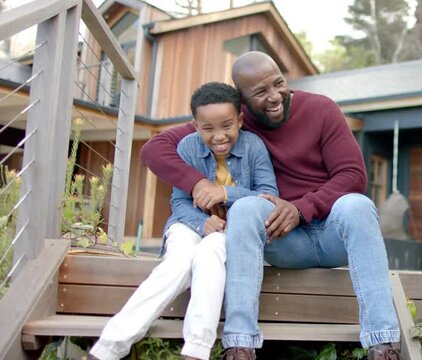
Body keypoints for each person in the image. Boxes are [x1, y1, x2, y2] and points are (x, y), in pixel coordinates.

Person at [141, 51, 402, 360]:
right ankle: (240, 344)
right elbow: (155, 148)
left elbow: (353, 175)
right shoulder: (235, 122)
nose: (275, 96)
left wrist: (301, 207)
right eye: (260, 92)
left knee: (357, 205)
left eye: (279, 83)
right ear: (242, 103)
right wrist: (200, 184)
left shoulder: (321, 110)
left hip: (334, 233)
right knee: (246, 208)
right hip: (282, 239)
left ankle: (383, 343)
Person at [90, 82, 278, 360]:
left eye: (227, 125)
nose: (219, 136)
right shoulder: (187, 147)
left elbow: (268, 196)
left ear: (240, 119)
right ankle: (109, 347)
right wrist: (201, 223)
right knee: (178, 263)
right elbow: (179, 202)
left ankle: (195, 351)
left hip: (230, 230)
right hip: (188, 223)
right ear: (195, 125)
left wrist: (225, 193)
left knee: (211, 249)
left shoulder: (254, 147)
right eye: (208, 128)